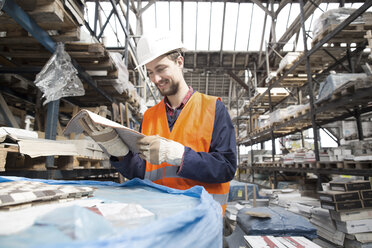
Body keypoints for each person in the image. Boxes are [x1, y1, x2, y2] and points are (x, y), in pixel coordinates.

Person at [80, 30, 237, 214]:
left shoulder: (213, 109)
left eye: (161, 69)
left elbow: (225, 168)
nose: (155, 79)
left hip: (200, 219)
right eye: (150, 72)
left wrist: (179, 155)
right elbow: (141, 172)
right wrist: (119, 152)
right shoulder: (150, 116)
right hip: (158, 215)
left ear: (179, 62)